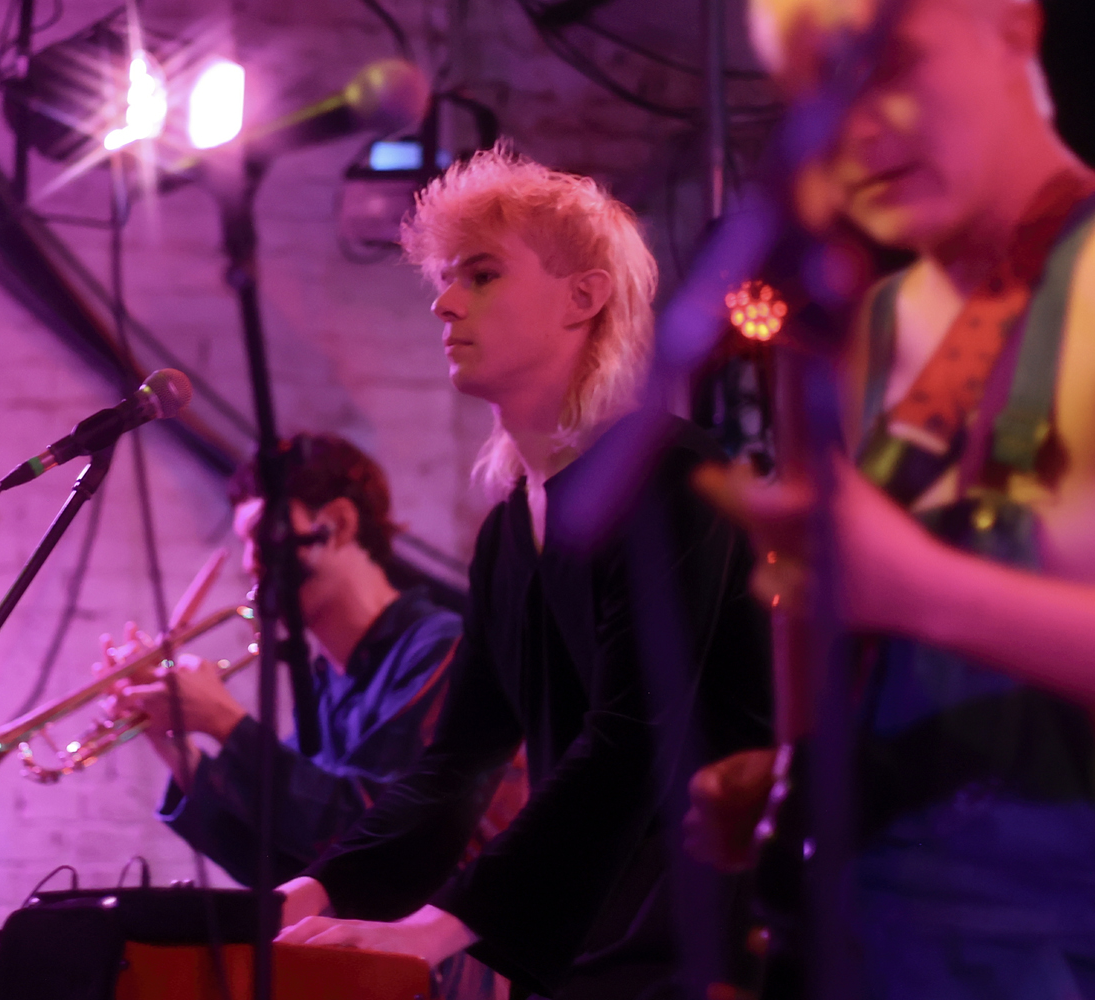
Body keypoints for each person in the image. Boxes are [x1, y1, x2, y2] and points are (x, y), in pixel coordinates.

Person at [274, 145, 775, 1000]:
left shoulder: (669, 478)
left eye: (481, 275)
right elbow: (458, 763)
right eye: (445, 280)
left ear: (585, 297)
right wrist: (309, 893)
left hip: (713, 942)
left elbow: (631, 745)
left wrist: (440, 927)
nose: (444, 303)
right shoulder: (511, 529)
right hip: (602, 943)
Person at [685, 0, 1095, 993]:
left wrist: (924, 592)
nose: (855, 127)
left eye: (889, 63)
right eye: (818, 91)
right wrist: (787, 778)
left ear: (1011, 25)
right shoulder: (859, 332)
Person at [108, 433, 469, 888]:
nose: (250, 562)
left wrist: (225, 722)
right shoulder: (324, 681)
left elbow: (375, 837)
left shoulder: (441, 648)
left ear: (338, 523)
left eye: (263, 536)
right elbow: (287, 864)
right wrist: (176, 750)